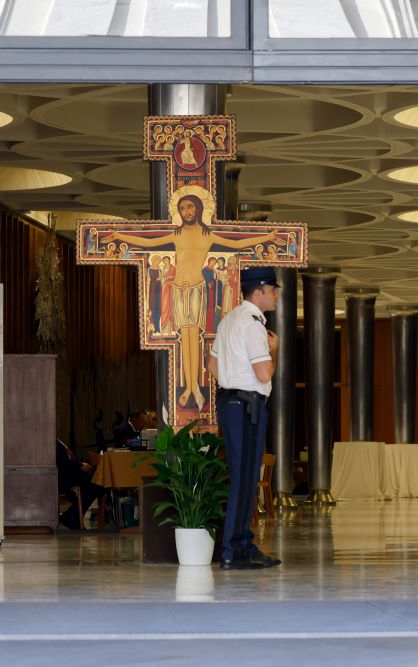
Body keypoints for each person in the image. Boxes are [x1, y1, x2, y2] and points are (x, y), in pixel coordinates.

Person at [108, 186, 281, 411]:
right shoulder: (176, 234)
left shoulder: (206, 235)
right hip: (178, 289)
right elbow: (148, 243)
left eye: (189, 206)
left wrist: (267, 237)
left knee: (194, 338)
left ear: (198, 208)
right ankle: (190, 387)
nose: (186, 210)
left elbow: (237, 244)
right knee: (184, 338)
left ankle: (194, 388)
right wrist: (120, 235)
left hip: (198, 289)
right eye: (182, 207)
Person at [207, 266, 282, 570]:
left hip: (230, 403)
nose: (276, 294)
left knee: (243, 477)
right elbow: (264, 373)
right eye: (273, 289)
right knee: (246, 478)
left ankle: (239, 545)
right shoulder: (253, 326)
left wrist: (231, 380)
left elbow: (211, 365)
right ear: (259, 291)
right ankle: (234, 550)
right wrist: (274, 350)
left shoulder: (229, 320)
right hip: (247, 405)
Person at [56, 439, 103, 530]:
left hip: (71, 472)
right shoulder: (52, 443)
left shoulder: (56, 441)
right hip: (65, 475)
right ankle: (71, 516)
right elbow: (63, 462)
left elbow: (68, 459)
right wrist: (81, 465)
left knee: (96, 483)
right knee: (97, 484)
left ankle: (74, 516)